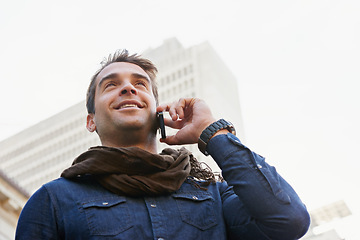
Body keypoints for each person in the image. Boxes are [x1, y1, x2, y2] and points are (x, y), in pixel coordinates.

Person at [16, 50, 310, 240]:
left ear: (158, 110)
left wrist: (212, 132)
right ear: (91, 121)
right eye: (111, 85)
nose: (128, 88)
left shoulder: (213, 195)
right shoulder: (53, 200)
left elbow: (289, 221)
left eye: (140, 84)